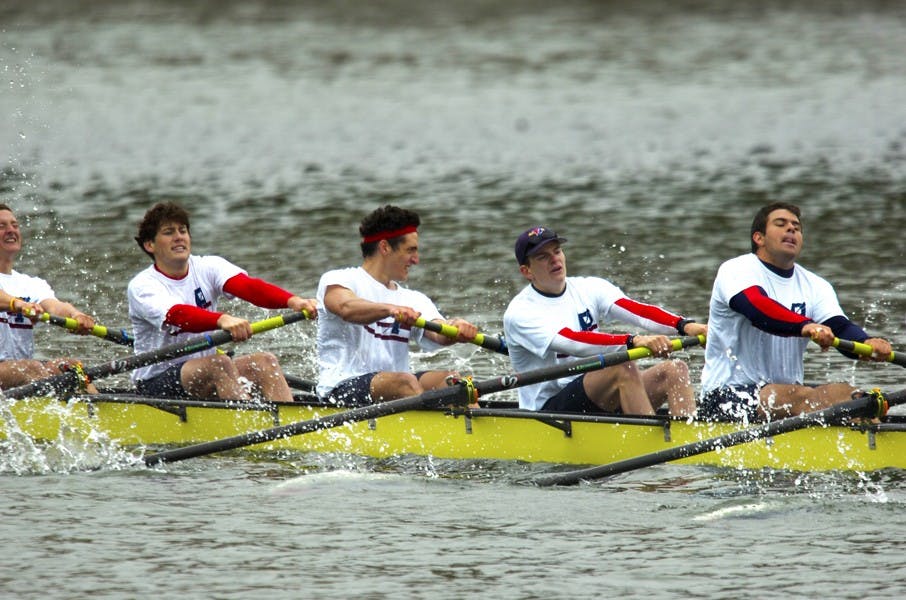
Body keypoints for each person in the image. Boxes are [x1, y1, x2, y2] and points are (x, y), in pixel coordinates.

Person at [699, 202, 892, 422]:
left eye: (797, 227)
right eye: (781, 224)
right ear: (759, 238)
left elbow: (840, 327)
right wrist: (805, 326)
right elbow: (757, 309)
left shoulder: (816, 285)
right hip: (727, 396)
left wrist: (866, 343)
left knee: (853, 398)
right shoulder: (736, 270)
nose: (791, 229)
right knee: (811, 398)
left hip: (786, 396)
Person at [503, 226, 707, 417]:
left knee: (675, 370)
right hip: (549, 411)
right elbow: (572, 341)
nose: (554, 260)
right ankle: (650, 445)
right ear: (526, 271)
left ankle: (689, 443)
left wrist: (685, 326)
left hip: (597, 392)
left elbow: (638, 311)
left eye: (557, 251)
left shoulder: (590, 288)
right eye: (543, 257)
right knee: (622, 366)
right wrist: (633, 341)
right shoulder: (520, 312)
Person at [128, 202, 318, 403]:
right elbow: (179, 315)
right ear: (150, 245)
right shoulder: (142, 286)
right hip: (157, 381)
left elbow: (249, 287)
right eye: (168, 232)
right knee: (219, 363)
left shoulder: (208, 266)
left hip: (204, 369)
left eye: (183, 230)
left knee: (265, 362)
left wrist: (293, 301)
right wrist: (222, 320)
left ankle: (288, 425)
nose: (178, 237)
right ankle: (249, 424)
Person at [316, 205, 479, 405]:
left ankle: (477, 435)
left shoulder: (413, 299)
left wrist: (455, 327)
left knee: (454, 383)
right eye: (410, 250)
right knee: (404, 382)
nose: (416, 260)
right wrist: (390, 310)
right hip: (341, 388)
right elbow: (346, 308)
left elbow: (437, 333)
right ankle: (429, 432)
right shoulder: (339, 280)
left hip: (395, 389)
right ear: (385, 247)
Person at [0, 203, 98, 390]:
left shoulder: (30, 283)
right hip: (16, 371)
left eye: (15, 225)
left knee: (73, 368)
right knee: (31, 369)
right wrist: (17, 304)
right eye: (1, 226)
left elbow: (55, 307)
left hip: (16, 373)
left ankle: (99, 415)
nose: (11, 230)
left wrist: (76, 315)